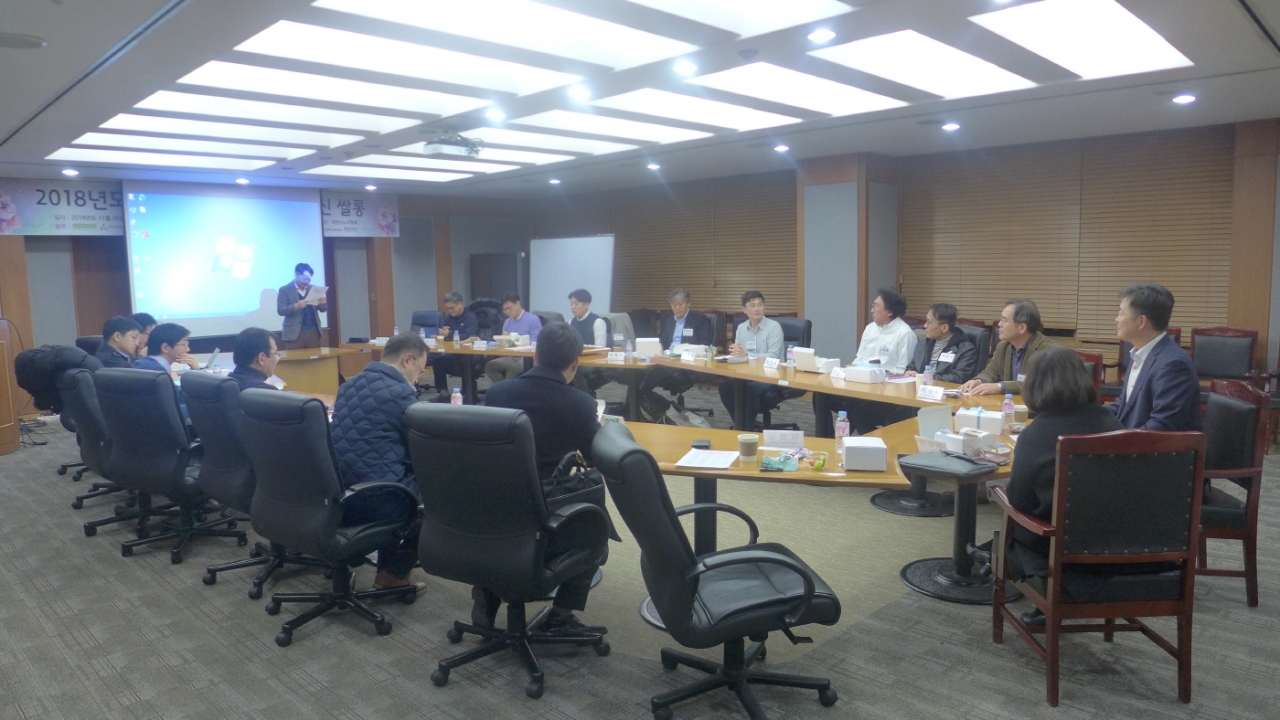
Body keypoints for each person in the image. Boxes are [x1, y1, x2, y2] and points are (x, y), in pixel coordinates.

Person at [481, 321, 607, 634]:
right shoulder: (580, 404)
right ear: (575, 364)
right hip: (546, 518)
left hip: (488, 515)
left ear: (535, 356)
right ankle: (560, 616)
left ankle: (484, 603)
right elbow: (595, 456)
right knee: (597, 528)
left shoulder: (496, 393)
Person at [998, 345, 1123, 624]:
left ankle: (993, 562)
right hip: (1125, 548)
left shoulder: (1037, 434)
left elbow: (1019, 501)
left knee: (1012, 520)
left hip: (1061, 555)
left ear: (1034, 387)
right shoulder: (1114, 423)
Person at [329, 333, 429, 594]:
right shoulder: (400, 395)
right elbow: (421, 453)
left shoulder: (348, 385)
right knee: (441, 495)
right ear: (407, 360)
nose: (418, 379)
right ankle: (394, 574)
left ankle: (387, 569)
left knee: (393, 474)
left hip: (338, 497)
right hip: (375, 502)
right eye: (420, 369)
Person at [816, 289, 920, 435]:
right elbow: (859, 359)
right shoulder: (870, 328)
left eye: (875, 306)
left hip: (883, 389)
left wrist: (876, 375)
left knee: (854, 405)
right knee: (821, 394)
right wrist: (848, 372)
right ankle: (825, 439)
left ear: (889, 311)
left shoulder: (905, 334)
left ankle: (864, 440)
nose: (872, 310)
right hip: (859, 383)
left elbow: (904, 372)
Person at [1108, 283, 1201, 431]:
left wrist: (1117, 441)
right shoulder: (1140, 354)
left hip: (1157, 445)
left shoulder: (1173, 365)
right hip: (1134, 440)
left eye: (1121, 313)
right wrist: (1087, 419)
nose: (1116, 319)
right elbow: (1123, 406)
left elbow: (1163, 425)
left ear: (1141, 321)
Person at [639, 288, 716, 419]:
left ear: (688, 303)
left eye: (680, 304)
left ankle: (659, 409)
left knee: (649, 377)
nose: (677, 308)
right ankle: (643, 404)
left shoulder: (699, 319)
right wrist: (657, 350)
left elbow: (705, 343)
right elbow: (664, 342)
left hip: (686, 363)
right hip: (667, 360)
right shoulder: (670, 321)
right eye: (674, 305)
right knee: (640, 372)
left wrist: (684, 351)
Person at [718, 291, 785, 430]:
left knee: (750, 390)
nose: (757, 309)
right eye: (752, 305)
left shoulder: (774, 327)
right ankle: (742, 424)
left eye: (760, 305)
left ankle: (746, 429)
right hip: (748, 374)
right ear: (744, 310)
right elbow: (739, 354)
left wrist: (747, 354)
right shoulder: (742, 328)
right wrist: (734, 354)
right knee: (726, 387)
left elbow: (773, 356)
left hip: (771, 375)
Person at [960, 299, 1053, 396]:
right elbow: (992, 372)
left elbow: (1037, 384)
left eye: (1004, 320)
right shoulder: (1003, 346)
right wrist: (979, 381)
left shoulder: (1047, 351)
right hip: (1008, 403)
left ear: (1021, 327)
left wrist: (1000, 387)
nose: (999, 324)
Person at [905, 303, 978, 383]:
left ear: (944, 328)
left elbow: (958, 377)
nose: (925, 326)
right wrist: (910, 373)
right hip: (918, 386)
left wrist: (925, 377)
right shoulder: (922, 345)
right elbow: (911, 367)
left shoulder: (965, 350)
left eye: (929, 322)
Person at [483, 293, 543, 384]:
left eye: (509, 308)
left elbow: (535, 343)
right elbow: (505, 345)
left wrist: (515, 340)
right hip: (511, 356)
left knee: (513, 368)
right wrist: (504, 340)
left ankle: (505, 390)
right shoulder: (507, 322)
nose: (507, 311)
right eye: (505, 309)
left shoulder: (533, 320)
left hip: (527, 358)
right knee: (490, 366)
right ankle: (503, 388)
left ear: (518, 304)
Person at [428, 292, 479, 394]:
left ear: (460, 304)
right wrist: (442, 334)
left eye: (452, 308)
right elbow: (444, 333)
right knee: (438, 362)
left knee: (465, 363)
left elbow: (470, 336)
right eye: (447, 308)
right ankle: (443, 392)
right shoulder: (448, 318)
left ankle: (468, 394)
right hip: (454, 353)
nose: (450, 311)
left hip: (470, 354)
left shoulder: (471, 317)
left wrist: (449, 334)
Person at [277, 263, 327, 350]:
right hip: (294, 333)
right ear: (296, 275)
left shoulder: (313, 288)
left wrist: (322, 304)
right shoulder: (285, 290)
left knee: (314, 357)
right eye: (305, 279)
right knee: (295, 357)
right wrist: (296, 306)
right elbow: (281, 310)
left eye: (309, 279)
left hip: (314, 331)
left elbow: (323, 309)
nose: (307, 282)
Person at [133, 323, 200, 375]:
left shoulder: (145, 363)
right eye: (183, 344)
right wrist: (196, 371)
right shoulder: (158, 372)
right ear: (165, 348)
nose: (188, 349)